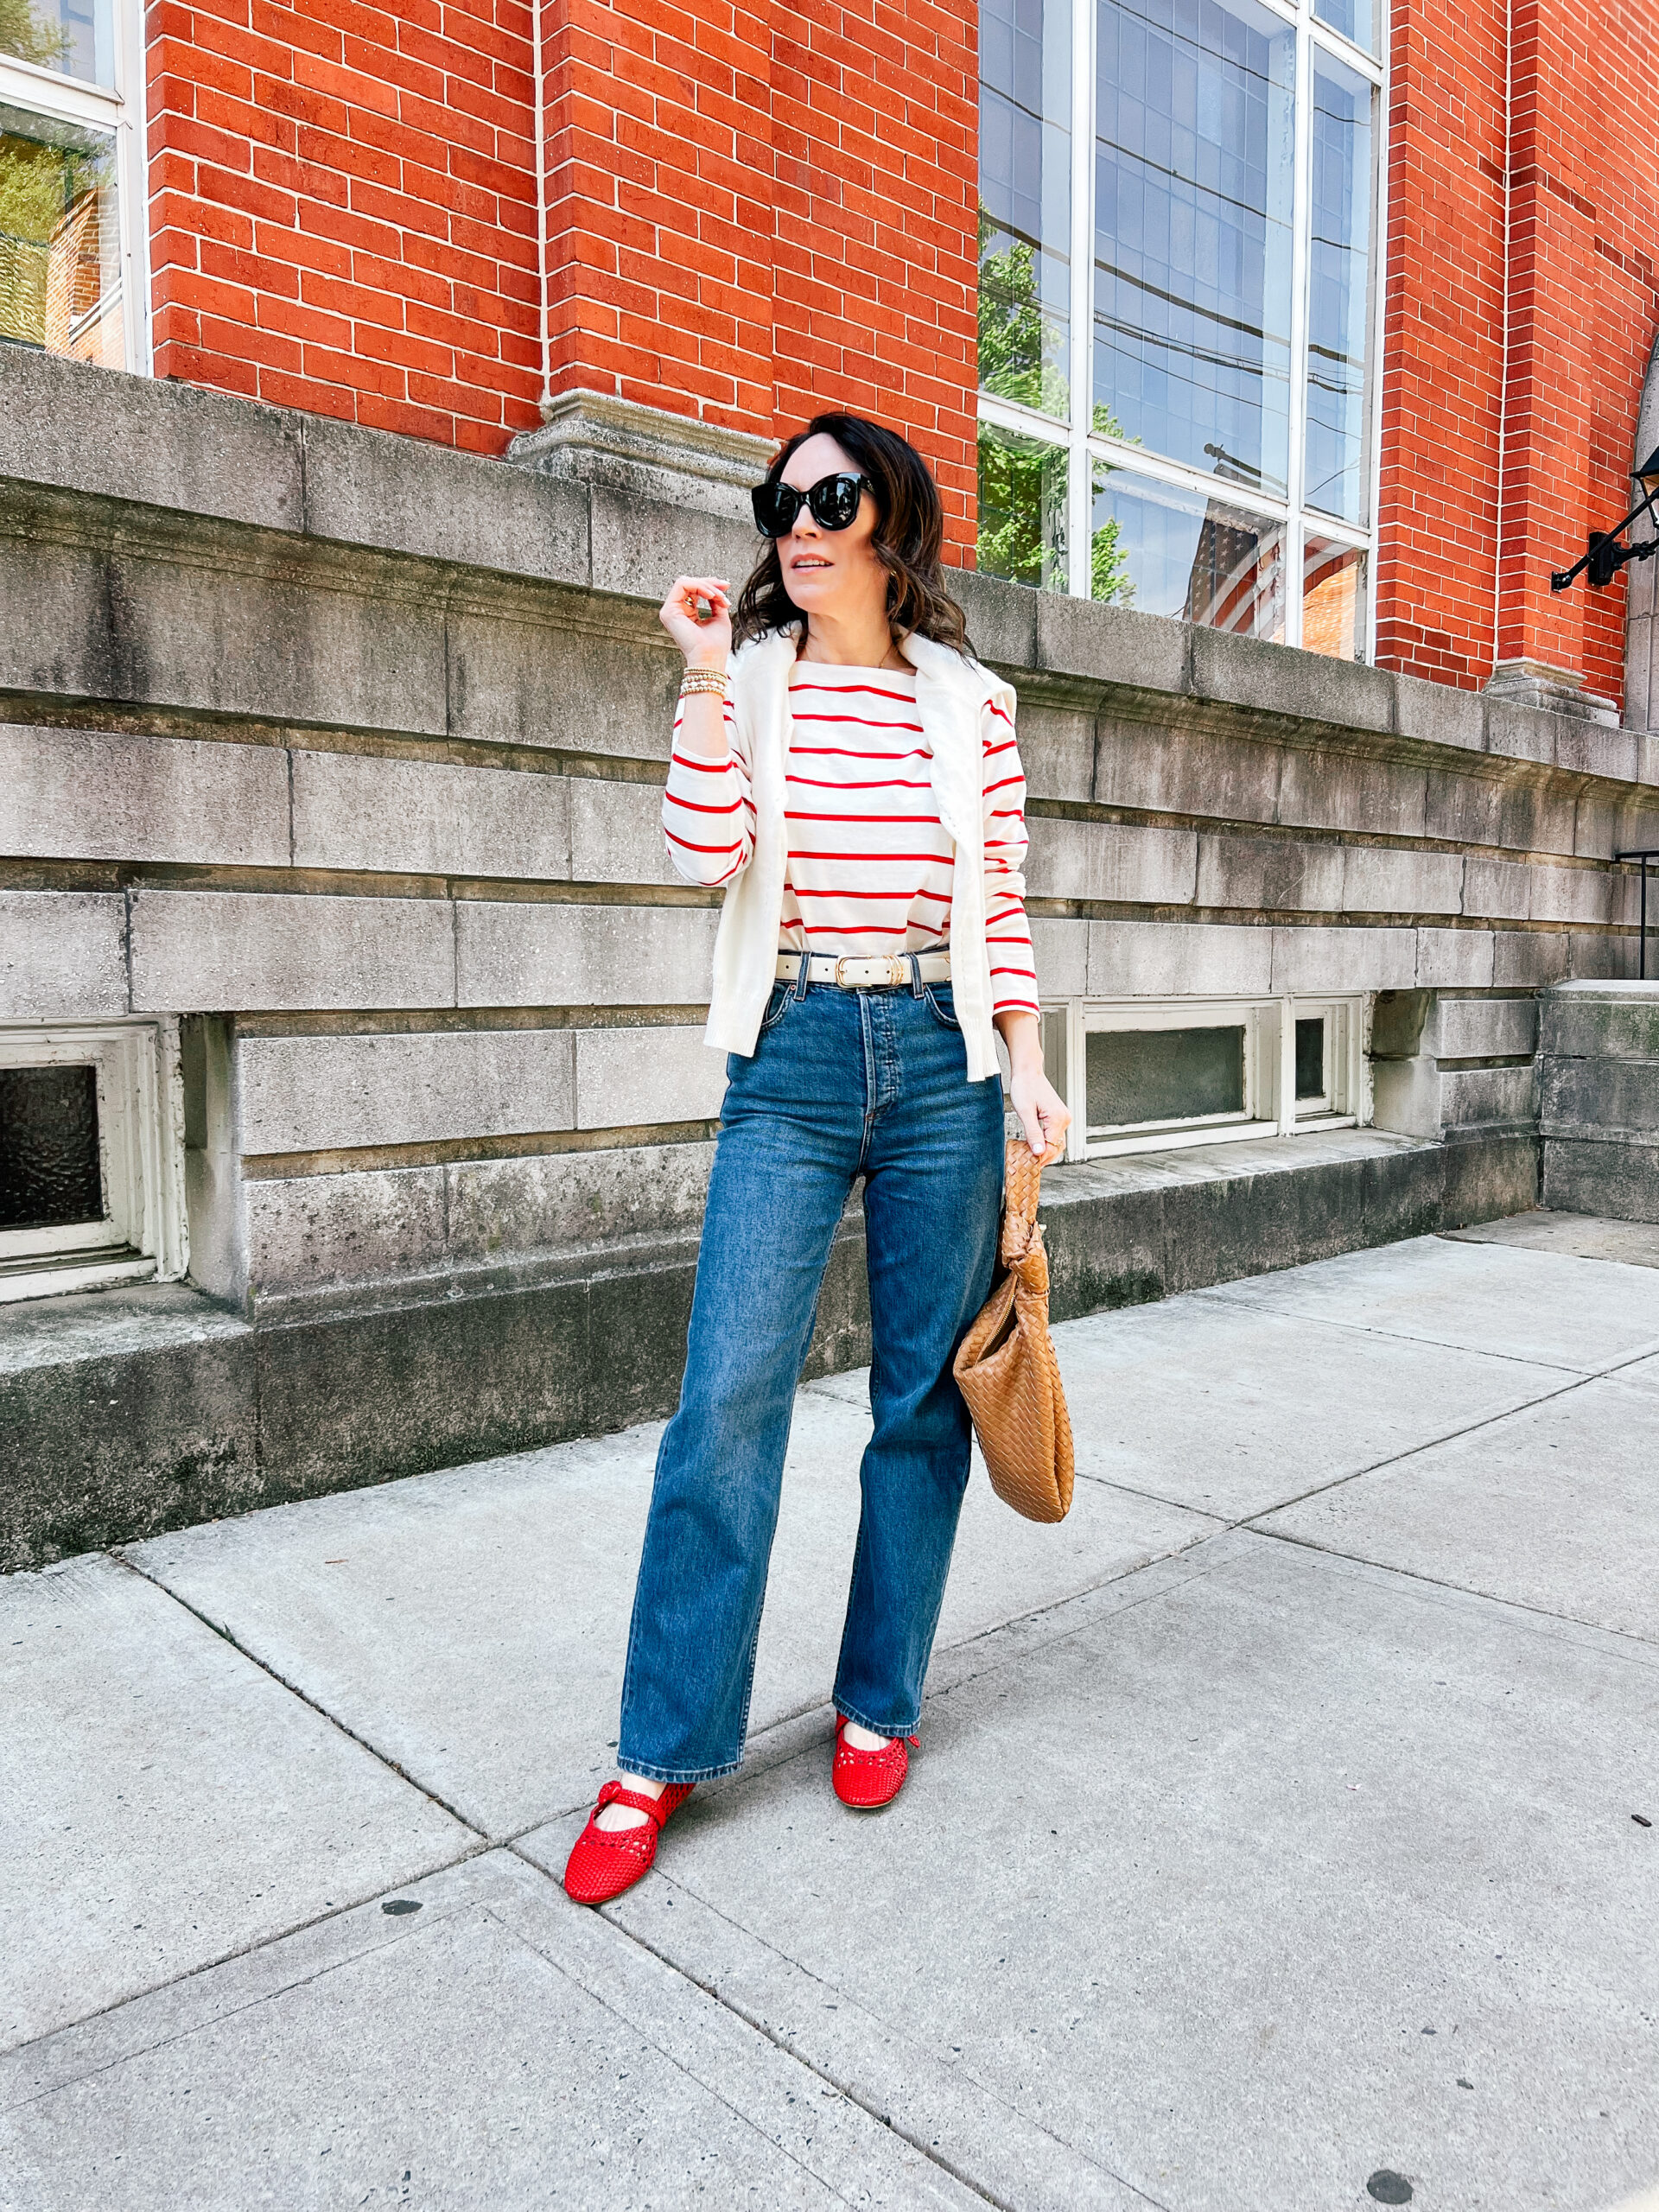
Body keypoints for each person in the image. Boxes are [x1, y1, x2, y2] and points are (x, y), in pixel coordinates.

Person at [563, 411, 1071, 1905]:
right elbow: (701, 856)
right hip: (788, 1056)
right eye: (781, 500)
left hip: (939, 1061)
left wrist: (1030, 1068)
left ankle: (878, 1697)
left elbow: (1001, 898)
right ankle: (657, 1750)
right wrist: (705, 676)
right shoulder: (754, 677)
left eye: (830, 498)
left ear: (888, 520)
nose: (800, 521)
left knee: (920, 1402)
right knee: (725, 1400)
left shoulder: (974, 701)